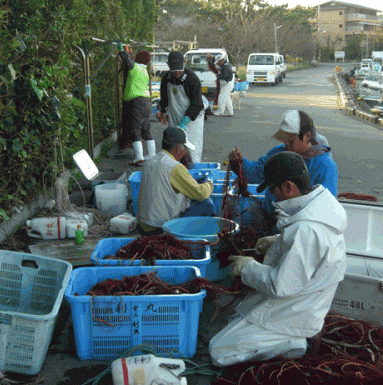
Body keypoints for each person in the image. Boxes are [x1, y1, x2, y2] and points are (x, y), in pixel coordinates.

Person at [209, 151, 347, 366]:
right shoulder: (320, 206)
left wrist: (247, 267)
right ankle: (281, 337)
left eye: (274, 189)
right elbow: (310, 249)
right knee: (238, 316)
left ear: (289, 187)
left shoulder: (308, 229)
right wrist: (278, 240)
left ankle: (295, 343)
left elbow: (282, 285)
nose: (273, 195)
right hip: (299, 297)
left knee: (219, 351)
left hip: (296, 312)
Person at [228, 109, 337, 217]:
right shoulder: (279, 152)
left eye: (290, 140)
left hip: (298, 222)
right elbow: (257, 173)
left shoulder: (325, 167)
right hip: (270, 217)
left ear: (307, 136)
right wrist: (240, 162)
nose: (285, 143)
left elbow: (326, 208)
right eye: (284, 139)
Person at [137, 126, 214, 236]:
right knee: (206, 204)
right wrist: (210, 183)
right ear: (178, 148)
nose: (185, 152)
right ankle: (192, 238)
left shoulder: (150, 161)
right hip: (159, 227)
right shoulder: (175, 167)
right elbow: (200, 193)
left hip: (143, 224)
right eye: (185, 148)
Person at [157, 51, 205, 163]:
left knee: (192, 149)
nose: (177, 72)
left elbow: (197, 104)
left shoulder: (192, 79)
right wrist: (163, 111)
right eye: (174, 70)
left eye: (179, 69)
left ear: (185, 62)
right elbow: (164, 98)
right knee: (174, 149)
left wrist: (185, 121)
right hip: (174, 116)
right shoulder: (166, 78)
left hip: (192, 120)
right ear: (168, 65)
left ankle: (193, 174)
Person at [117, 45, 155, 166]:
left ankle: (139, 156)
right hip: (146, 103)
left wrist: (121, 50)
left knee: (135, 129)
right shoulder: (145, 70)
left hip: (136, 103)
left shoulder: (136, 68)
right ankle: (152, 154)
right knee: (146, 129)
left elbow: (128, 61)